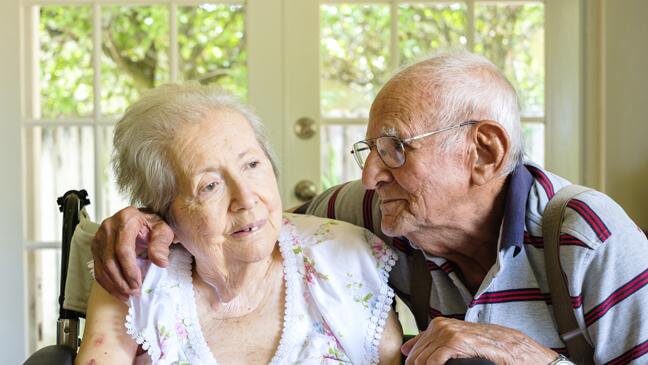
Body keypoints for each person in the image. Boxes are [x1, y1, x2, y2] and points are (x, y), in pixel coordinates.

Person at [92, 52, 648, 364]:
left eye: (395, 148)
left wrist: (534, 361)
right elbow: (249, 221)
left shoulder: (589, 240)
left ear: (485, 151)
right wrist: (146, 219)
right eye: (369, 149)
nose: (368, 175)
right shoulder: (367, 211)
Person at [76, 84, 403, 364]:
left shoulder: (343, 258)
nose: (246, 198)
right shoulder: (136, 276)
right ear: (164, 212)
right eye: (209, 186)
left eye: (252, 164)